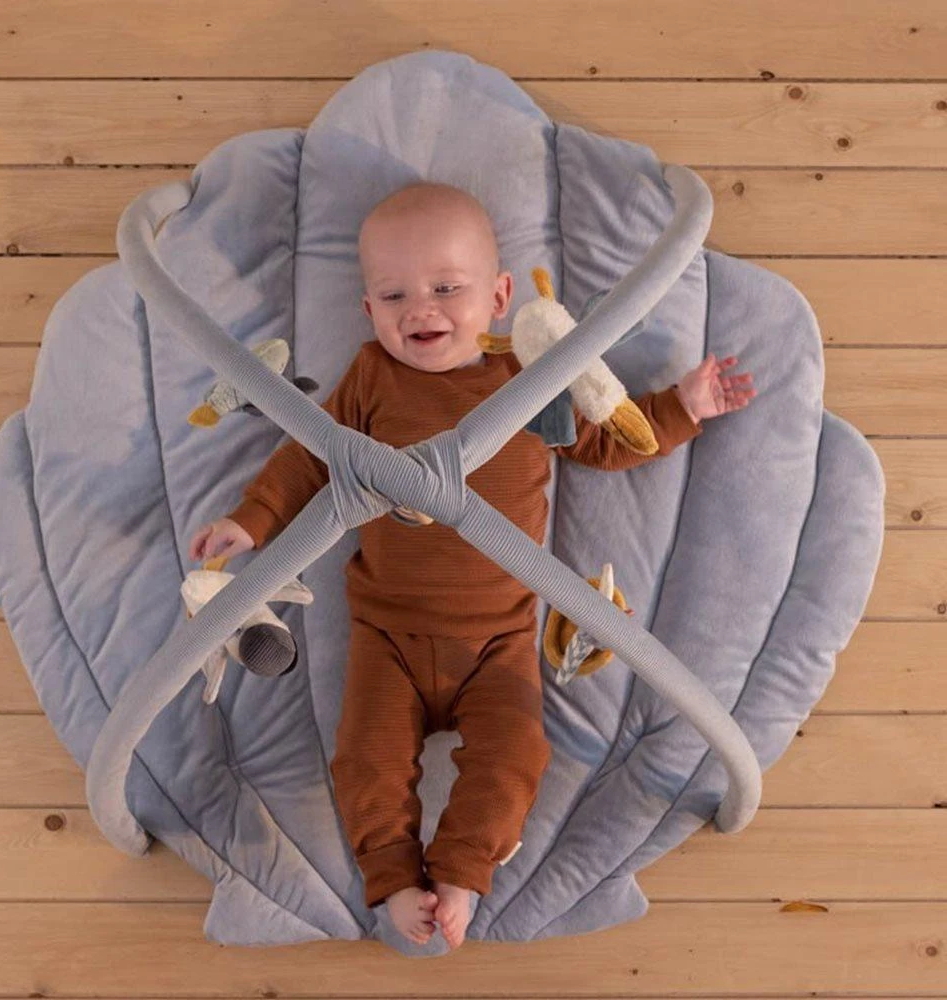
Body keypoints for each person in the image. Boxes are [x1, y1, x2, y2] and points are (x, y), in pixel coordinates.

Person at [188, 182, 756, 950]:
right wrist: (250, 520)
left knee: (515, 754)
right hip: (386, 634)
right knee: (365, 760)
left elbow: (605, 440)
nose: (420, 310)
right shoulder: (370, 378)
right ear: (367, 310)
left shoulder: (527, 376)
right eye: (395, 295)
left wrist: (683, 406)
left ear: (499, 297)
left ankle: (462, 871)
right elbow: (308, 460)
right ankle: (391, 877)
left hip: (500, 639)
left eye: (447, 289)